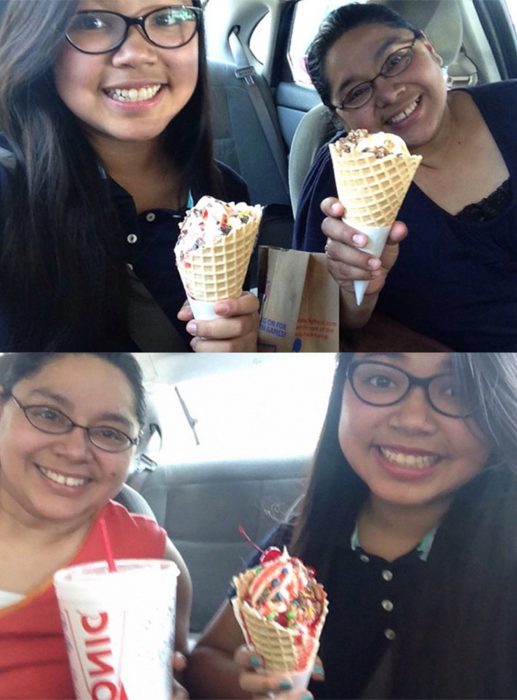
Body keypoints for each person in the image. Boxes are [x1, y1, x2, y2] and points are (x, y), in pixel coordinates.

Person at [186, 352, 517, 699]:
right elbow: (207, 658)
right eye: (381, 380)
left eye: (457, 389)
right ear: (340, 391)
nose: (413, 420)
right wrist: (255, 688)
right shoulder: (291, 550)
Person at [0, 0, 259, 351]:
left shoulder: (227, 199)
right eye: (91, 22)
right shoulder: (9, 195)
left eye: (168, 18)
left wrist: (241, 353)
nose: (136, 53)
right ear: (39, 39)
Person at [293, 3, 517, 351]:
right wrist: (355, 301)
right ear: (341, 119)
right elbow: (308, 327)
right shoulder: (337, 179)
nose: (388, 93)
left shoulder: (511, 104)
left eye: (395, 60)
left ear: (429, 49)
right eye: (356, 93)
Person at [0, 352, 192, 699]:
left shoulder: (151, 558)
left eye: (110, 433)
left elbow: (175, 673)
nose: (75, 451)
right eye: (48, 414)